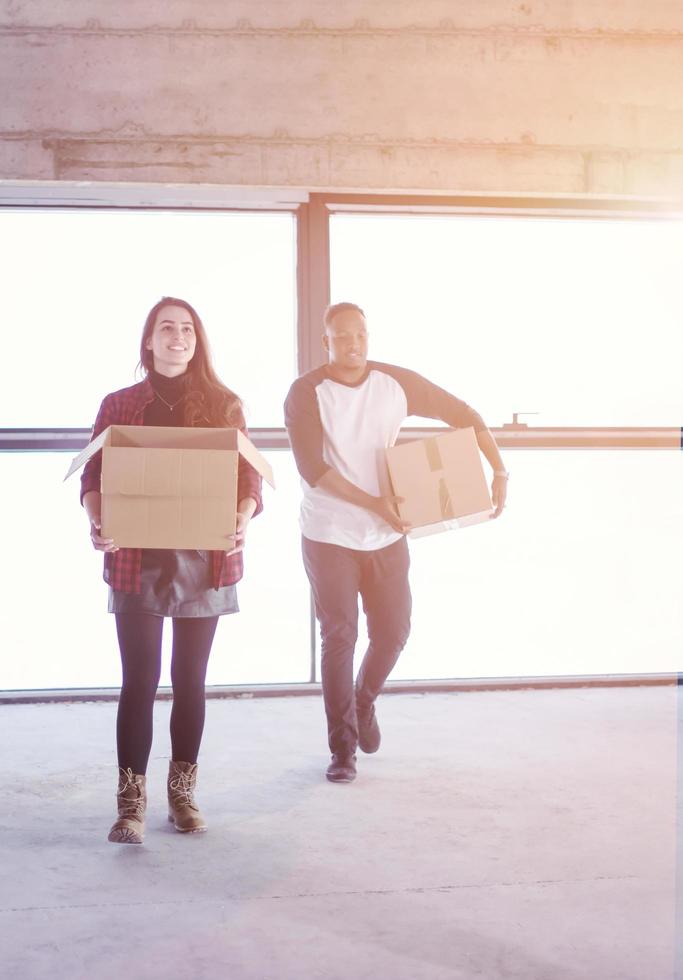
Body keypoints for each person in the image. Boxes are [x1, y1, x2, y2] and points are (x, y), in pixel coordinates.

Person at [284, 302, 507, 783]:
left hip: (387, 532)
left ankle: (364, 700)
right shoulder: (306, 392)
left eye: (360, 334)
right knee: (339, 636)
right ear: (326, 343)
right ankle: (342, 750)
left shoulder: (394, 383)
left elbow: (463, 414)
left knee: (393, 632)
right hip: (329, 532)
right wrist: (374, 503)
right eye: (341, 336)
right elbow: (312, 470)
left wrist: (499, 468)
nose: (353, 344)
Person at [81, 297, 263, 843]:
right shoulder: (119, 404)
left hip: (203, 559)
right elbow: (93, 473)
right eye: (167, 328)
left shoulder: (224, 403)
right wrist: (98, 519)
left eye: (186, 329)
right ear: (149, 341)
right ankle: (129, 805)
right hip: (137, 559)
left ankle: (182, 797)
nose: (177, 336)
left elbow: (248, 479)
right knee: (138, 681)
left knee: (190, 681)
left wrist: (243, 517)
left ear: (197, 340)